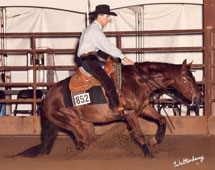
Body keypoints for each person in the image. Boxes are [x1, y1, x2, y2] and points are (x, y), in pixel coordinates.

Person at [77, 4, 134, 115]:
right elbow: (107, 46)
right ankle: (115, 108)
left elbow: (98, 47)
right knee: (107, 81)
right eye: (106, 17)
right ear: (99, 16)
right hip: (89, 61)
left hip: (92, 58)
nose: (108, 20)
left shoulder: (91, 29)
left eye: (108, 17)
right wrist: (123, 57)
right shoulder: (94, 30)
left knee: (114, 70)